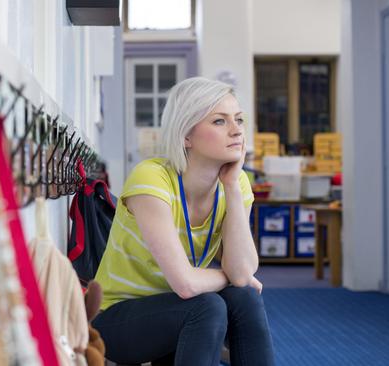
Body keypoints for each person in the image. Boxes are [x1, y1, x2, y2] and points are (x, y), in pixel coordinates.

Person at [92, 77, 275, 366]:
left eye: (238, 119)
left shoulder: (236, 183)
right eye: (219, 121)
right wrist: (231, 277)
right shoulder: (151, 178)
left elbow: (242, 272)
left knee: (244, 300)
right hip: (117, 321)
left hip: (181, 311)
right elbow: (186, 285)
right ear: (186, 135)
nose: (236, 130)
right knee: (208, 306)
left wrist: (230, 187)